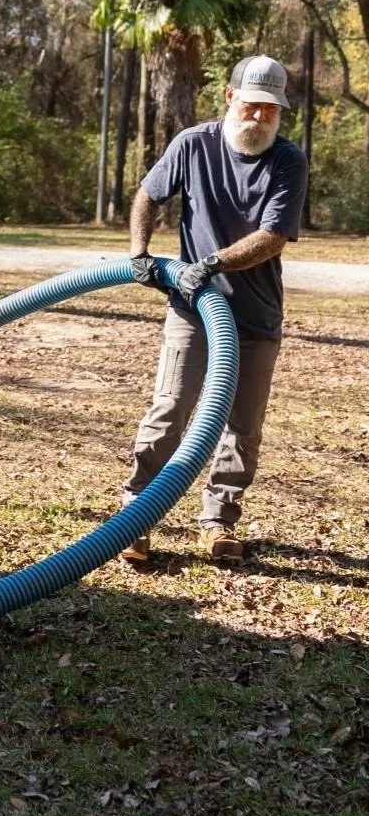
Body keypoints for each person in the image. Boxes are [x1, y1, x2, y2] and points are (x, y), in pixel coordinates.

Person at [121, 54, 307, 565]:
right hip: (191, 309)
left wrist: (211, 263)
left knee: (241, 426)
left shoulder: (288, 160)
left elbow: (272, 238)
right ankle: (135, 515)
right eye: (252, 105)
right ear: (230, 98)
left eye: (271, 110)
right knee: (171, 409)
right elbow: (147, 196)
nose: (259, 117)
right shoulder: (192, 144)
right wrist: (140, 251)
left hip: (255, 318)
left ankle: (218, 520)